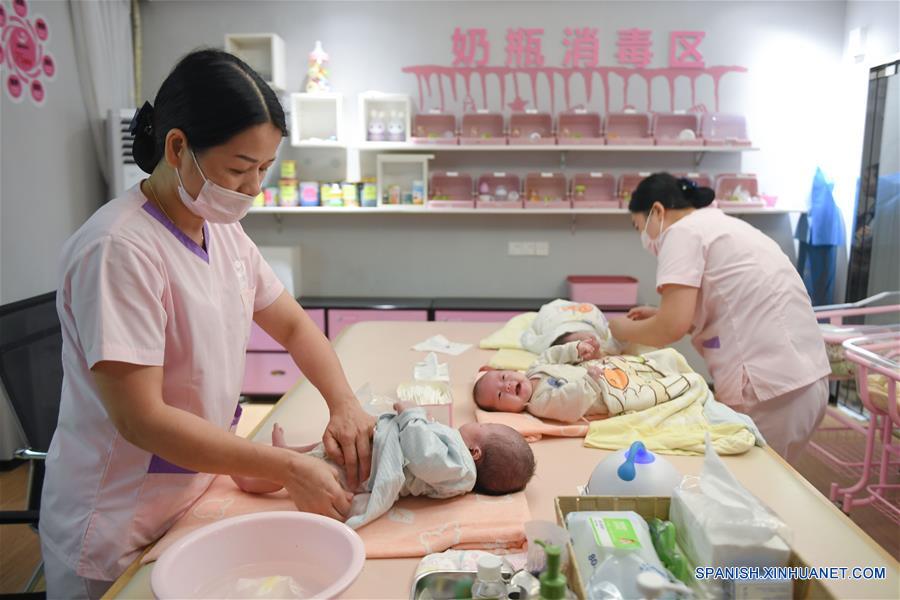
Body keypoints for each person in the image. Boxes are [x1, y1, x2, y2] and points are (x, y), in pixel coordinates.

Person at [39, 49, 374, 598]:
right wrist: (283, 468)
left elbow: (292, 326)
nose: (254, 189)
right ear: (177, 147)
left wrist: (345, 404)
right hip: (120, 521)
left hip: (190, 493)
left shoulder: (220, 231)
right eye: (240, 169)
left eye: (264, 170)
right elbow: (142, 419)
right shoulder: (118, 249)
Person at [608, 172, 829, 463]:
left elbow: (670, 328)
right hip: (805, 378)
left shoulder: (681, 233)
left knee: (751, 485)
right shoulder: (721, 225)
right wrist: (659, 315)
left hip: (768, 387)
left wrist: (618, 328)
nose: (644, 238)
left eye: (640, 226)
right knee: (774, 482)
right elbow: (722, 302)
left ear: (658, 211)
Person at [233, 406, 536, 529]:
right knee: (326, 449)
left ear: (476, 451)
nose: (479, 423)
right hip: (376, 450)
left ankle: (252, 478)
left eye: (488, 426)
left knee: (313, 469)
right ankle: (286, 453)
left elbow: (422, 456)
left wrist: (412, 415)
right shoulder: (458, 462)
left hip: (370, 469)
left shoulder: (461, 471)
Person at [474, 340, 698, 423]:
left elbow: (552, 355)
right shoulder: (540, 403)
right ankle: (686, 382)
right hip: (605, 392)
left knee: (659, 358)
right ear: (510, 412)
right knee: (649, 391)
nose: (506, 385)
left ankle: (666, 365)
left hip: (603, 370)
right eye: (501, 395)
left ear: (511, 370)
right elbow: (569, 403)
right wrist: (590, 381)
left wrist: (575, 349)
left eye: (503, 377)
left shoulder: (534, 370)